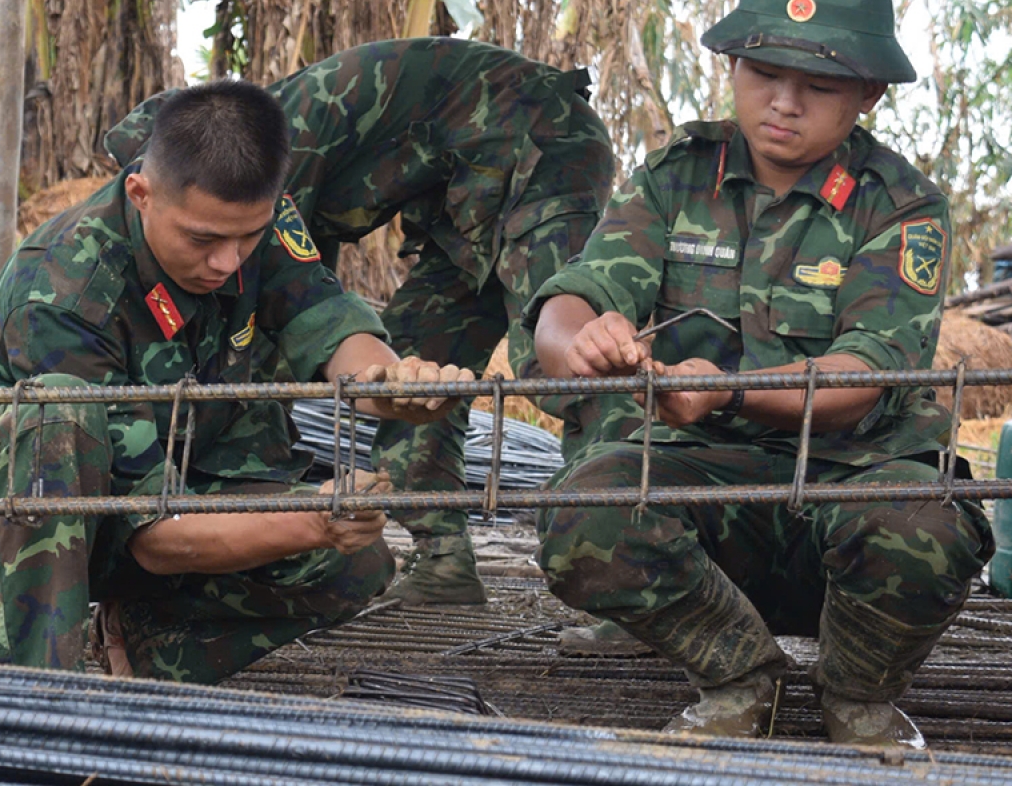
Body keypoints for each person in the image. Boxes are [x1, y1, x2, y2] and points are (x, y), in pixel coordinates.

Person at [526, 0, 994, 747]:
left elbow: (863, 377)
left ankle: (858, 694)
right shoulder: (676, 177)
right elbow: (572, 301)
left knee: (928, 523)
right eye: (762, 74)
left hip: (848, 485)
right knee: (585, 512)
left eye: (818, 86)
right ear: (733, 66)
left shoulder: (900, 206)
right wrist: (582, 338)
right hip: (705, 491)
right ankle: (739, 677)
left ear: (870, 94)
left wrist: (728, 390)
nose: (783, 103)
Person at [0, 79, 473, 682]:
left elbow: (327, 324)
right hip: (30, 509)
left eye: (249, 236)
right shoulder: (63, 287)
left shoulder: (252, 221)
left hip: (182, 482)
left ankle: (145, 644)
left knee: (355, 564)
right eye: (203, 240)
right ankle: (39, 695)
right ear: (140, 194)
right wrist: (315, 519)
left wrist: (391, 386)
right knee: (57, 418)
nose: (227, 262)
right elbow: (151, 535)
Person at [103, 37, 624, 606]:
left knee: (570, 356)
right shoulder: (242, 176)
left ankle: (628, 564)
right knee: (413, 369)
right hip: (461, 202)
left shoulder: (268, 152)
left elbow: (289, 312)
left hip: (544, 146)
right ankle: (443, 560)